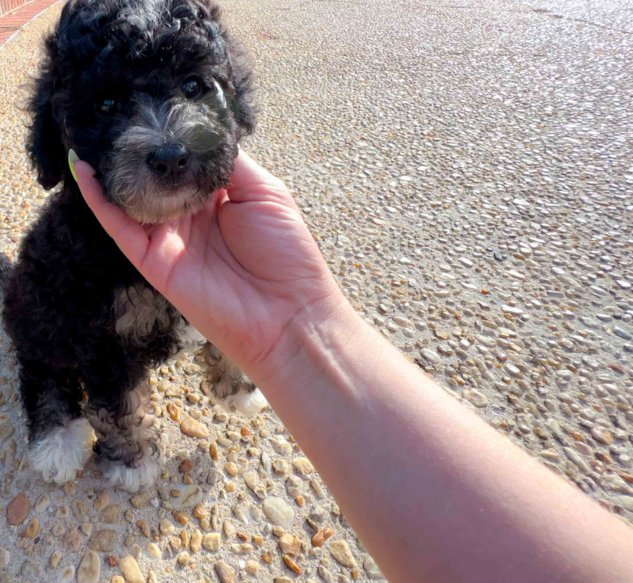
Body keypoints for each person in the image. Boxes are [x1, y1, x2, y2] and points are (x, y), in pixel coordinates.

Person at [68, 148, 633, 583]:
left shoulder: (223, 225)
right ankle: (67, 410)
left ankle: (227, 376)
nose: (167, 145)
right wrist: (300, 335)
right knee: (76, 346)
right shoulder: (78, 238)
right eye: (112, 105)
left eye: (194, 87)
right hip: (88, 298)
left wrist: (297, 328)